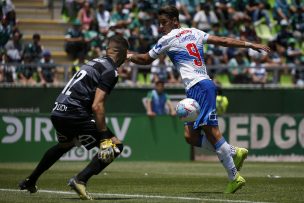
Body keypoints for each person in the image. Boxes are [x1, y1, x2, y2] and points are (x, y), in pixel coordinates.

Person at [127, 5, 271, 193]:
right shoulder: (194, 32)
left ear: (175, 21)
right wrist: (250, 44)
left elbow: (146, 59)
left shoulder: (168, 39)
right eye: (159, 24)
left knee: (212, 132)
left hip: (200, 86)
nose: (161, 27)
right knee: (191, 136)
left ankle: (234, 176)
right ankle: (234, 152)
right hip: (198, 88)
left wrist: (128, 56)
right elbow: (224, 41)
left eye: (164, 23)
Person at [19, 35, 129, 200]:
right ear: (122, 53)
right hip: (74, 112)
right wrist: (105, 137)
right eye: (126, 56)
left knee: (65, 144)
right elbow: (97, 106)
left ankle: (30, 180)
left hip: (58, 110)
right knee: (115, 146)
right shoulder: (110, 71)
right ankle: (80, 180)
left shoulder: (94, 62)